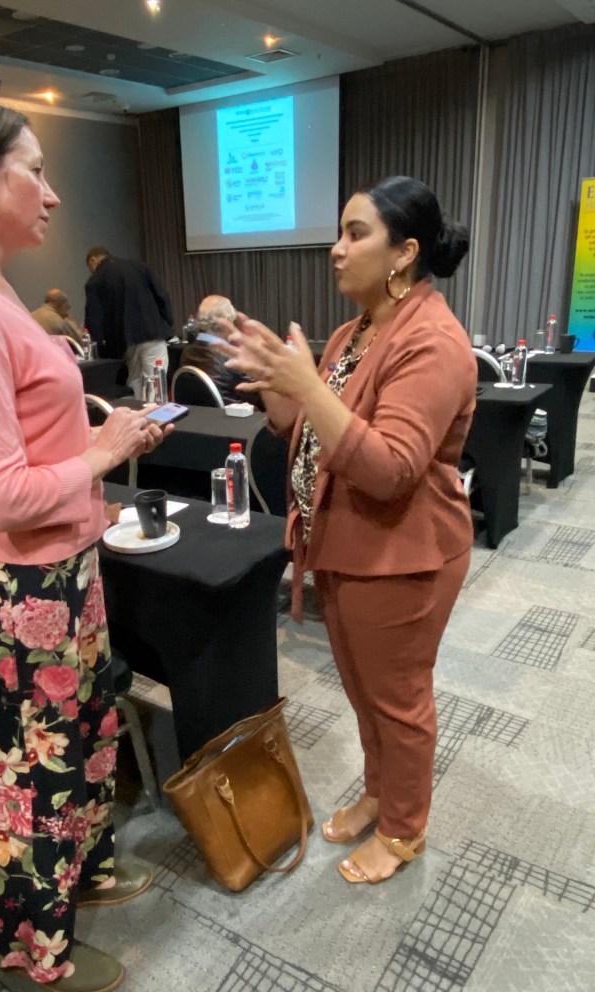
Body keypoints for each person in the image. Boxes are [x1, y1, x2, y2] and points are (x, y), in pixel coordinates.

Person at [0, 103, 169, 992]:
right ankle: (28, 943)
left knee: (83, 739)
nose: (52, 195)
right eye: (37, 171)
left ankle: (80, 874)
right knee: (32, 770)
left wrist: (102, 435)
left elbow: (23, 438)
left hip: (55, 563)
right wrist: (101, 453)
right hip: (22, 578)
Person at [223, 176, 476, 885]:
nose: (336, 249)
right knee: (366, 692)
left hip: (403, 553)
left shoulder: (432, 340)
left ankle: (403, 829)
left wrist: (308, 385)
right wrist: (282, 387)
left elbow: (391, 467)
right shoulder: (353, 331)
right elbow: (310, 432)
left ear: (405, 252)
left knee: (398, 700)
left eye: (355, 233)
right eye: (338, 232)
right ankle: (378, 792)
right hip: (342, 540)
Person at [84, 246, 174, 399]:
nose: (91, 271)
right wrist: (166, 323)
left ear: (94, 260)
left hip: (126, 340)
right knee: (157, 381)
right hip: (152, 332)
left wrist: (102, 348)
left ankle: (138, 411)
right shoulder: (138, 266)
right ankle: (158, 411)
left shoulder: (95, 281)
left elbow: (94, 319)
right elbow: (162, 295)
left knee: (135, 379)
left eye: (89, 267)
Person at [180, 294, 260, 406]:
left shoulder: (187, 352)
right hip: (232, 414)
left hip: (198, 414)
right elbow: (259, 396)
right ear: (226, 322)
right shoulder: (231, 359)